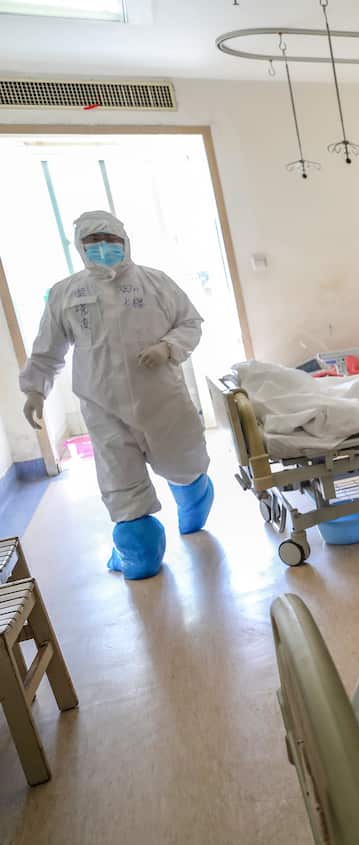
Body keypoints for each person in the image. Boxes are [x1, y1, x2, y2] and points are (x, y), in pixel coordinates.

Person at [19, 210, 214, 580]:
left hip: (164, 402)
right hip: (104, 408)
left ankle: (191, 513)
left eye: (111, 240)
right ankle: (134, 554)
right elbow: (48, 349)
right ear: (79, 247)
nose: (104, 248)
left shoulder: (157, 283)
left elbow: (191, 323)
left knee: (188, 475)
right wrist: (34, 390)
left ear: (125, 241)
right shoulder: (66, 293)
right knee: (127, 502)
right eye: (94, 242)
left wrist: (167, 347)